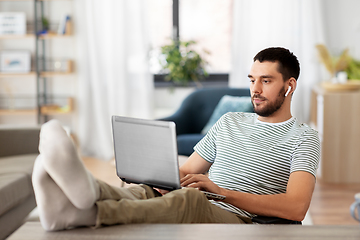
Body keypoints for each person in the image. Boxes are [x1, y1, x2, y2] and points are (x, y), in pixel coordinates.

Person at [32, 47, 320, 231]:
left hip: (244, 221)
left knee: (189, 202)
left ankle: (89, 213)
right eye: (251, 79)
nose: (255, 89)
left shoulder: (304, 138)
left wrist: (220, 192)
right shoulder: (230, 121)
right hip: (206, 200)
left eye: (266, 81)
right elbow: (186, 171)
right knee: (145, 192)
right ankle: (78, 200)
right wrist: (162, 181)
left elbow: (296, 207)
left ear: (289, 86)